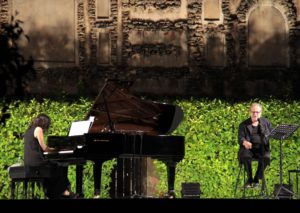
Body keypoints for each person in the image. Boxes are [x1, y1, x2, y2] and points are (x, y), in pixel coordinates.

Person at [24, 113, 74, 199]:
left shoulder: (28, 130)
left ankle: (53, 193)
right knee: (58, 166)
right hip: (37, 162)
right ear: (45, 123)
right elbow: (44, 148)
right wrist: (57, 150)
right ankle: (63, 192)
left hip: (29, 162)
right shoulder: (38, 129)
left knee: (52, 168)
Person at [237, 103, 272, 188]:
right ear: (250, 112)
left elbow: (271, 134)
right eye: (253, 112)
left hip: (261, 149)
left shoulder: (266, 123)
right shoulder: (243, 124)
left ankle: (256, 178)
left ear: (261, 113)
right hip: (248, 149)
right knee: (245, 156)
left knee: (266, 157)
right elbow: (240, 138)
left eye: (257, 112)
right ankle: (249, 179)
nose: (255, 114)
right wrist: (244, 142)